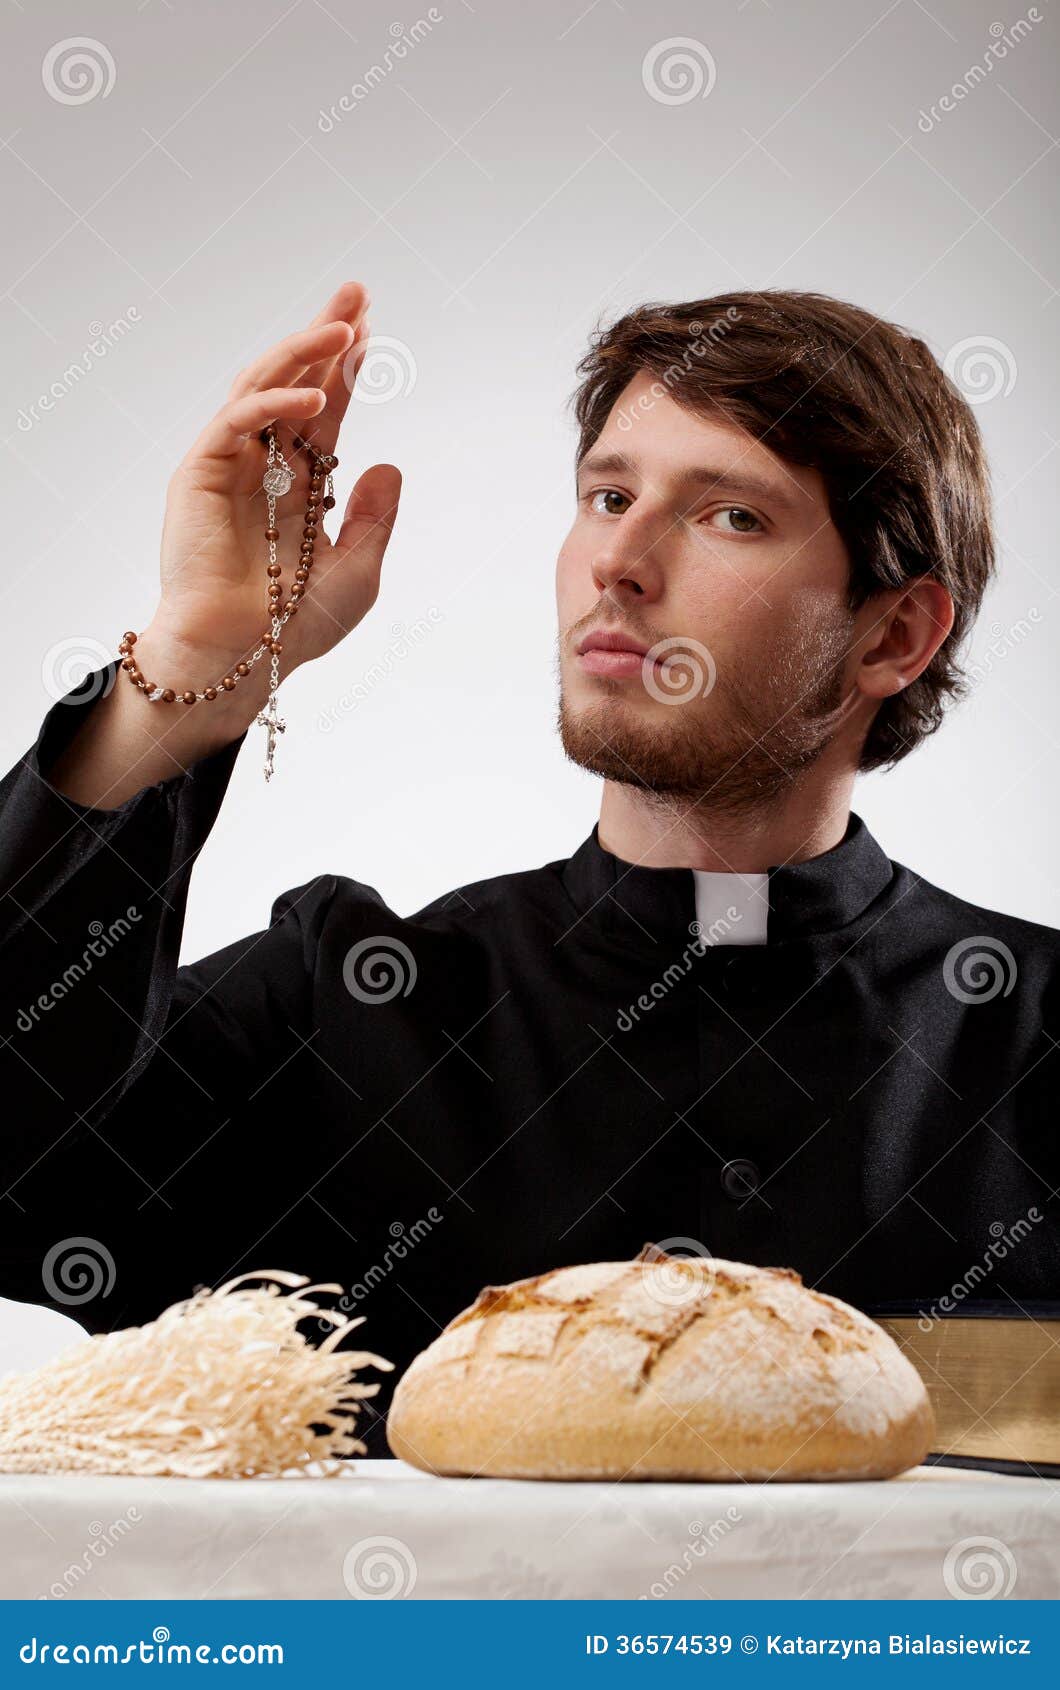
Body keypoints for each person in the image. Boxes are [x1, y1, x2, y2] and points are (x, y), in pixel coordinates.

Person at [1, 280, 1056, 1460]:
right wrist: (188, 668)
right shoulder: (340, 1003)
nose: (620, 560)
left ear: (894, 635)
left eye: (730, 518)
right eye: (608, 495)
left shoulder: (1037, 1034)